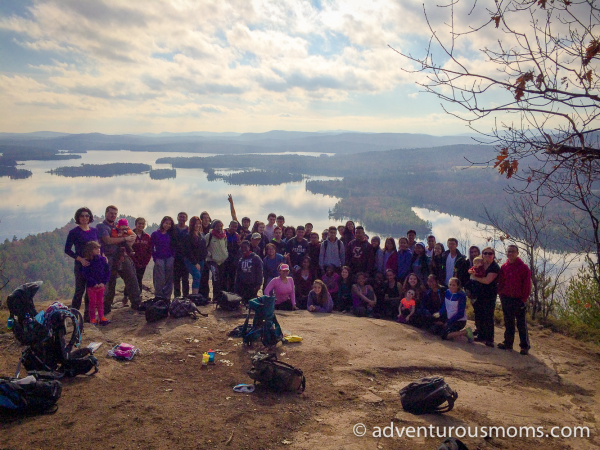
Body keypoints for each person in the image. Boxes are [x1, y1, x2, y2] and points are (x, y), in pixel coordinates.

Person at [97, 205, 140, 316]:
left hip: (122, 256)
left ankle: (136, 303)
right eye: (111, 213)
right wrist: (125, 238)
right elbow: (108, 240)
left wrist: (129, 242)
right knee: (109, 283)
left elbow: (133, 236)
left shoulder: (118, 226)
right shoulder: (101, 226)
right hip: (109, 258)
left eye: (115, 214)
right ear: (106, 213)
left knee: (131, 278)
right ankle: (106, 308)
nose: (113, 215)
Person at [64, 207, 98, 319]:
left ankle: (88, 317)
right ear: (78, 218)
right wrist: (80, 259)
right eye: (82, 216)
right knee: (79, 291)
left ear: (90, 217)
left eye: (87, 215)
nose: (84, 218)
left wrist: (102, 257)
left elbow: (98, 246)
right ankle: (73, 316)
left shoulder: (94, 231)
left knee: (90, 291)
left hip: (93, 265)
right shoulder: (74, 232)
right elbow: (67, 250)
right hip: (81, 265)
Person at [497, 245, 532, 354]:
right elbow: (501, 282)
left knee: (521, 324)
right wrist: (500, 293)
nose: (510, 253)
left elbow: (527, 285)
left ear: (517, 253)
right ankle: (508, 343)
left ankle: (524, 346)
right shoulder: (504, 266)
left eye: (513, 251)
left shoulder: (524, 267)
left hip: (518, 299)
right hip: (506, 298)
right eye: (509, 252)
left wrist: (523, 299)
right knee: (508, 322)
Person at [469, 246, 500, 347]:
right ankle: (481, 335)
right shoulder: (481, 264)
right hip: (478, 293)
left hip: (489, 295)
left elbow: (487, 281)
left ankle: (489, 339)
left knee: (488, 316)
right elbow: (471, 271)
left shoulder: (494, 267)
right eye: (485, 253)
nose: (487, 255)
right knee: (479, 314)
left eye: (490, 253)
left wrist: (474, 277)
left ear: (493, 255)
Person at [432, 277, 474, 342]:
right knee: (434, 329)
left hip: (459, 321)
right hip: (449, 319)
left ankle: (466, 332)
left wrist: (448, 322)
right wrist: (438, 314)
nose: (451, 287)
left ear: (458, 286)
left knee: (444, 335)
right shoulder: (447, 292)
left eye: (454, 285)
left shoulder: (461, 295)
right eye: (450, 284)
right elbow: (444, 307)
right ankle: (454, 332)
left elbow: (460, 314)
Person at [80, 241, 110, 326]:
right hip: (91, 287)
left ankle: (101, 317)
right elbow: (85, 274)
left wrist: (103, 282)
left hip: (101, 286)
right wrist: (93, 283)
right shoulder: (87, 261)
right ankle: (92, 319)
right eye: (95, 248)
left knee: (100, 302)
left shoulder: (103, 260)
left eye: (99, 248)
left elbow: (107, 272)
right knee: (92, 303)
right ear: (90, 250)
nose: (98, 250)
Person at [127, 217, 152, 301]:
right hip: (132, 261)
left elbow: (149, 250)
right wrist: (134, 260)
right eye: (139, 223)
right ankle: (126, 297)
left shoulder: (147, 237)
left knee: (139, 279)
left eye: (143, 224)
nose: (141, 225)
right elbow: (128, 249)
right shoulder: (130, 234)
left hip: (143, 263)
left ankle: (138, 298)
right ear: (136, 224)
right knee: (130, 279)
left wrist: (145, 262)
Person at [151, 216, 176, 299]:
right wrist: (155, 258)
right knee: (159, 278)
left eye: (169, 224)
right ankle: (158, 296)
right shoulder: (155, 234)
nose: (167, 225)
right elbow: (151, 247)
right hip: (159, 258)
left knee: (169, 278)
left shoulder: (171, 234)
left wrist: (173, 256)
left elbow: (174, 246)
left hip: (169, 258)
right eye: (166, 223)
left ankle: (167, 297)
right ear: (162, 223)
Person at [205, 219, 229, 298]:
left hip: (222, 260)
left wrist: (226, 254)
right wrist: (210, 255)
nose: (219, 227)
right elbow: (203, 248)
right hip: (212, 260)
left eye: (220, 226)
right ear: (214, 226)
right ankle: (215, 296)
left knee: (222, 278)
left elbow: (225, 246)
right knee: (215, 278)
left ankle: (220, 296)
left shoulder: (224, 235)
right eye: (217, 226)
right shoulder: (209, 236)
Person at [185, 216, 208, 295]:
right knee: (197, 275)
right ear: (192, 224)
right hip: (191, 261)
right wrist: (195, 263)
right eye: (195, 223)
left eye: (199, 223)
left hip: (201, 260)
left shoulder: (201, 235)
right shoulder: (188, 236)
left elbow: (204, 248)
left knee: (199, 277)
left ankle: (198, 295)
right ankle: (194, 296)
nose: (197, 225)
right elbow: (188, 251)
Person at [173, 212, 190, 298]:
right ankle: (177, 297)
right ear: (177, 218)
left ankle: (186, 297)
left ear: (186, 219)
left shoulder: (189, 229)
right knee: (176, 279)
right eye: (180, 216)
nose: (182, 218)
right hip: (175, 257)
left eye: (184, 217)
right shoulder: (173, 228)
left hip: (185, 257)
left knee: (185, 279)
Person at [223, 220, 241, 291]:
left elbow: (238, 247)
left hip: (233, 259)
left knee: (232, 277)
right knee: (224, 277)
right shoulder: (224, 233)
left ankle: (231, 292)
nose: (234, 228)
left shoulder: (236, 235)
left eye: (235, 227)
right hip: (224, 259)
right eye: (232, 226)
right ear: (229, 225)